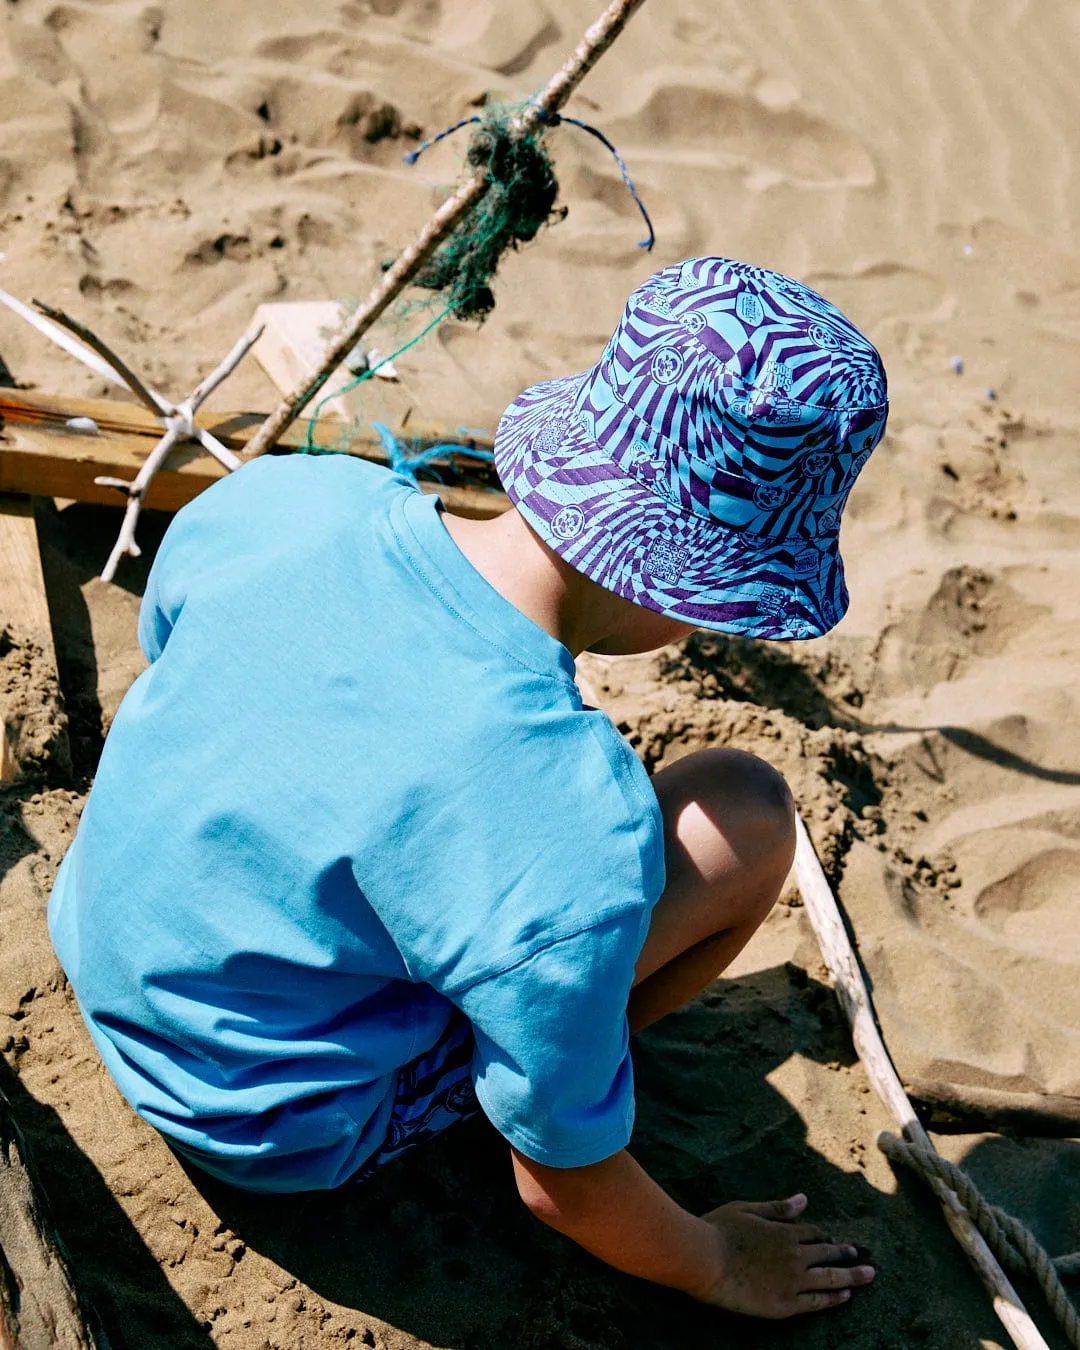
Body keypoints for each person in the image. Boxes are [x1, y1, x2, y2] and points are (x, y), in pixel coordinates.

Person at [48, 256, 888, 1320]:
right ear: (695, 591)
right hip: (266, 1117)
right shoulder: (563, 814)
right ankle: (561, 1058)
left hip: (106, 940)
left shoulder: (293, 496)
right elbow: (562, 1188)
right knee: (746, 815)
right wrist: (713, 1260)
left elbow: (178, 649)